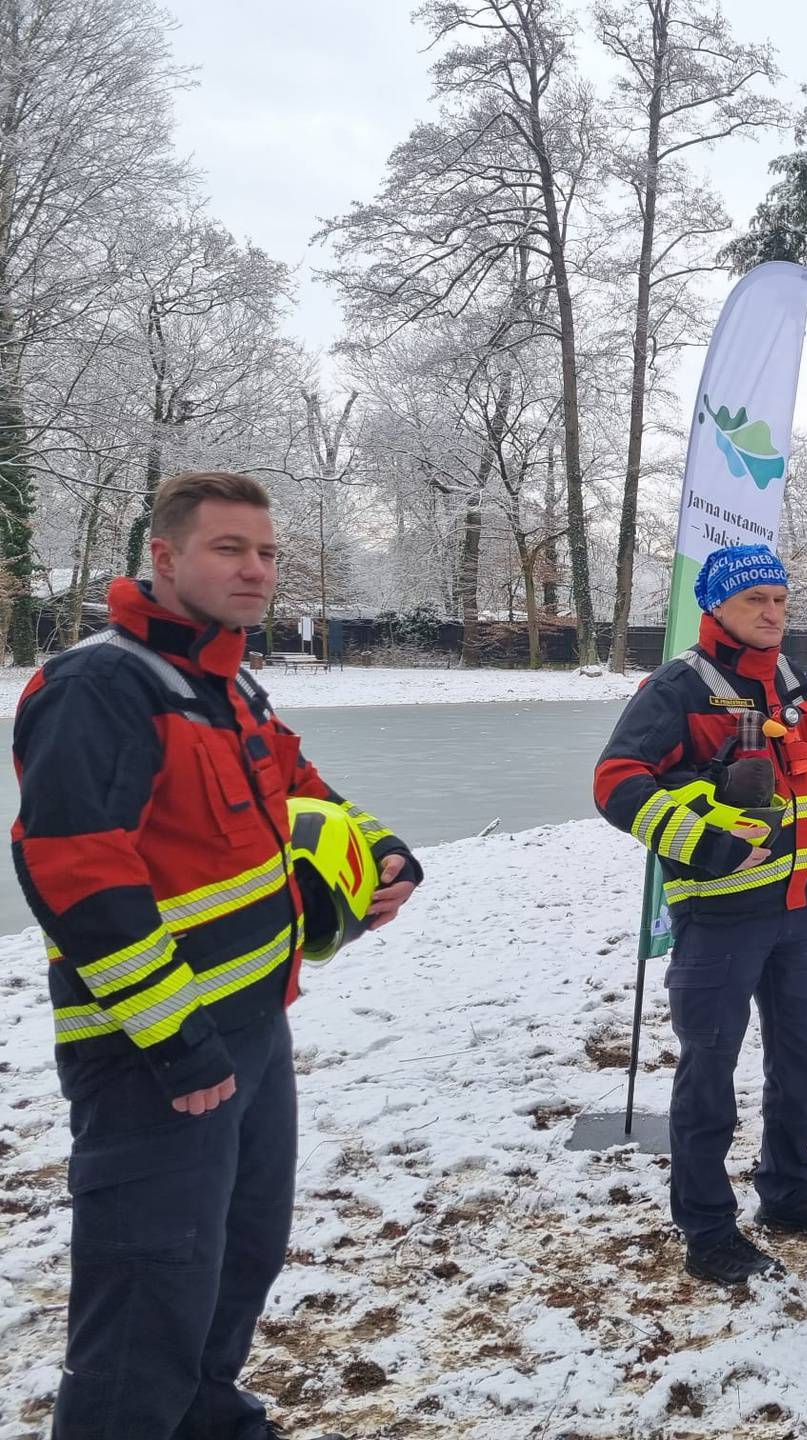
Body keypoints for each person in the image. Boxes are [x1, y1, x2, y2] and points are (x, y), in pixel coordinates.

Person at [11, 470, 421, 1440]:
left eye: (268, 552)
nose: (256, 569)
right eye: (229, 549)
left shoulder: (229, 679)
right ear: (164, 558)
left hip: (252, 1030)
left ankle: (207, 1418)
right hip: (154, 1059)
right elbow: (76, 873)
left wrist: (381, 846)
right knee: (143, 1305)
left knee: (240, 1256)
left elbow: (299, 786)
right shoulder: (100, 687)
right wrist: (177, 1042)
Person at [594, 543, 807, 1284]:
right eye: (756, 602)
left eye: (779, 600)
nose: (773, 614)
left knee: (806, 1062)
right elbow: (616, 783)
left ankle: (786, 1189)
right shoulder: (678, 686)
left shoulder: (791, 684)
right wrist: (707, 845)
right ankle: (707, 1228)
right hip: (718, 921)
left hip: (799, 915)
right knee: (708, 1074)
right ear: (716, 607)